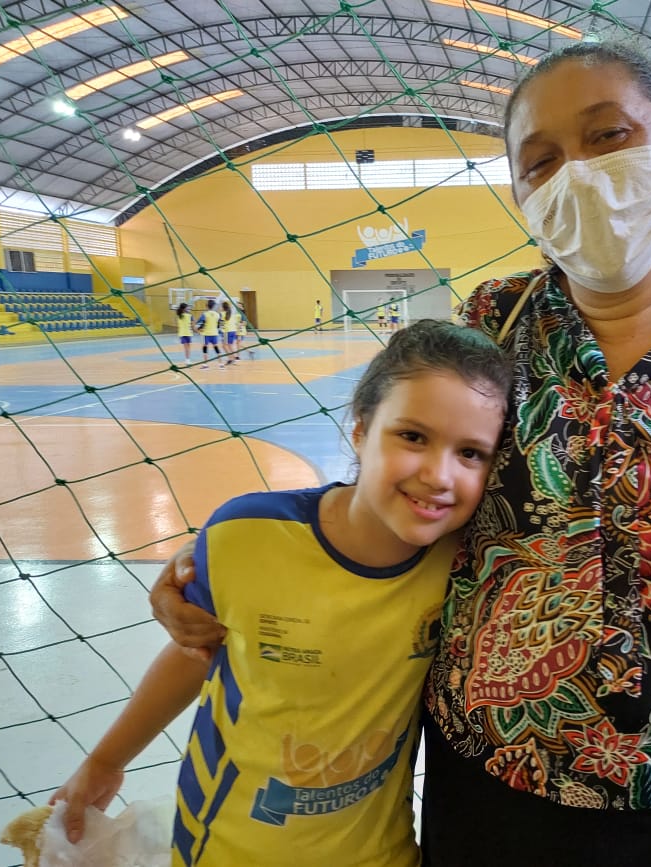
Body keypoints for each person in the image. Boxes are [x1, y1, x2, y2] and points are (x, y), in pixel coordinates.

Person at [150, 39, 651, 867]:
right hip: (488, 789)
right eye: (541, 160)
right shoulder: (491, 322)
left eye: (607, 136)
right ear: (523, 194)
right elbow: (402, 504)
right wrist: (227, 560)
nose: (578, 173)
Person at [53, 320, 510, 866]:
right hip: (228, 847)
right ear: (361, 430)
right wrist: (106, 760)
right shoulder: (246, 536)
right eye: (412, 436)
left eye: (471, 453)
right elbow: (196, 649)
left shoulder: (468, 561)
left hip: (381, 852)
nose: (439, 475)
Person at [195, 299, 220, 369]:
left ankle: (205, 364)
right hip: (214, 333)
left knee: (205, 347)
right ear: (213, 306)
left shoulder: (204, 314)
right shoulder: (217, 314)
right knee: (216, 347)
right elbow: (218, 325)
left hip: (206, 334)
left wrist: (198, 329)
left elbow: (199, 324)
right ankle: (221, 364)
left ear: (207, 306)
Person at [219, 300, 239, 366]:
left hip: (226, 331)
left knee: (224, 346)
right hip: (233, 331)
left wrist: (221, 330)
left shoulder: (222, 314)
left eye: (221, 306)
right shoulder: (231, 314)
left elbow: (221, 324)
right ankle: (234, 359)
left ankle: (230, 358)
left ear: (223, 307)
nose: (220, 308)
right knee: (230, 345)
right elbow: (234, 323)